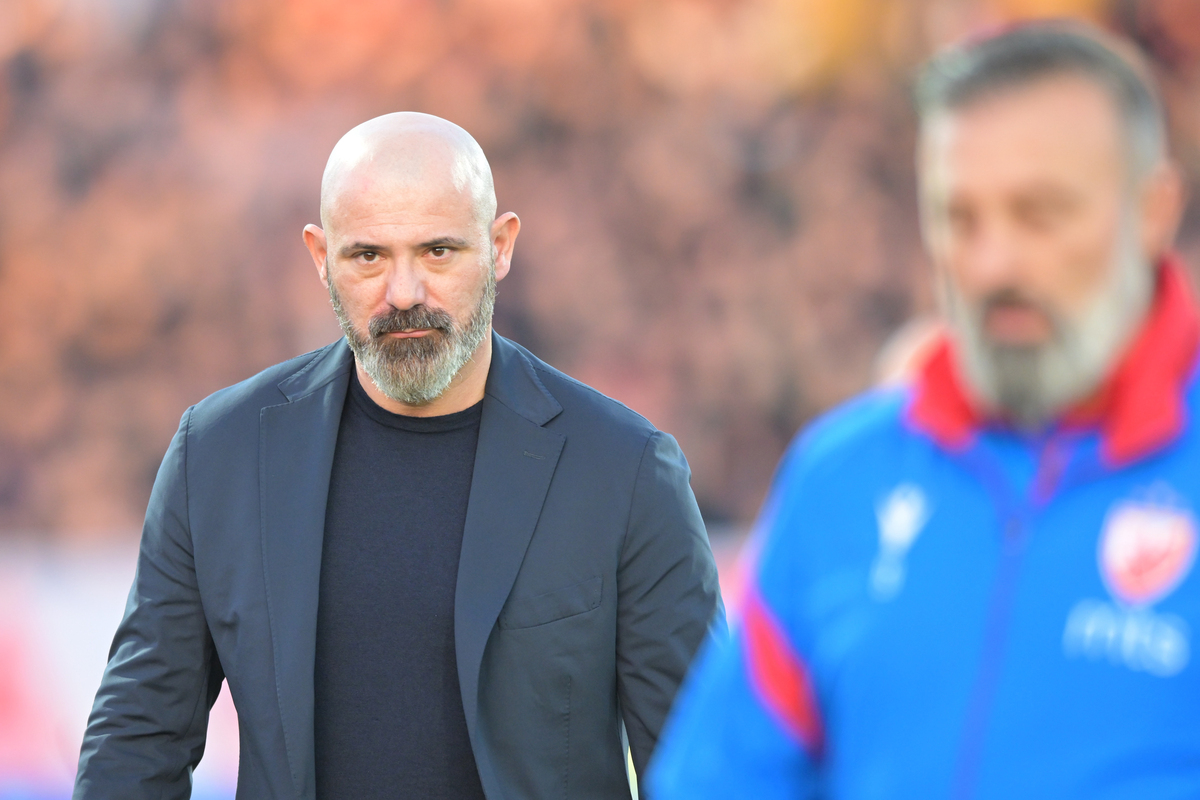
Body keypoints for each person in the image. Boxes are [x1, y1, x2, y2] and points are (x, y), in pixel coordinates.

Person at [74, 112, 724, 800]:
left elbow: (712, 769)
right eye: (368, 256)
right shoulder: (220, 457)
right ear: (321, 257)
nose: (405, 292)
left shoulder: (623, 470)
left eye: (438, 251)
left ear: (500, 246)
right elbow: (134, 748)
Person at [649, 23, 1200, 800]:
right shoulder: (840, 477)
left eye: (1039, 214)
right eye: (959, 218)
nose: (994, 262)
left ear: (1154, 211)